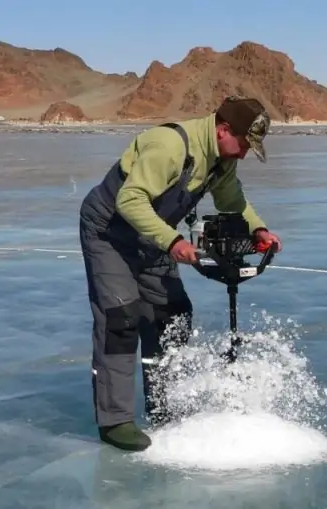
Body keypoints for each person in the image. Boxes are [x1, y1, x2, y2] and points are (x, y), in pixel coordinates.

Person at [78, 96, 282, 452]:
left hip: (153, 236)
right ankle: (115, 421)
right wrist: (172, 242)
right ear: (223, 131)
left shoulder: (220, 160)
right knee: (121, 318)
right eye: (244, 145)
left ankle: (164, 407)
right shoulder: (170, 148)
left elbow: (232, 199)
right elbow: (130, 201)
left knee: (172, 316)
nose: (245, 154)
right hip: (110, 232)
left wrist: (258, 229)